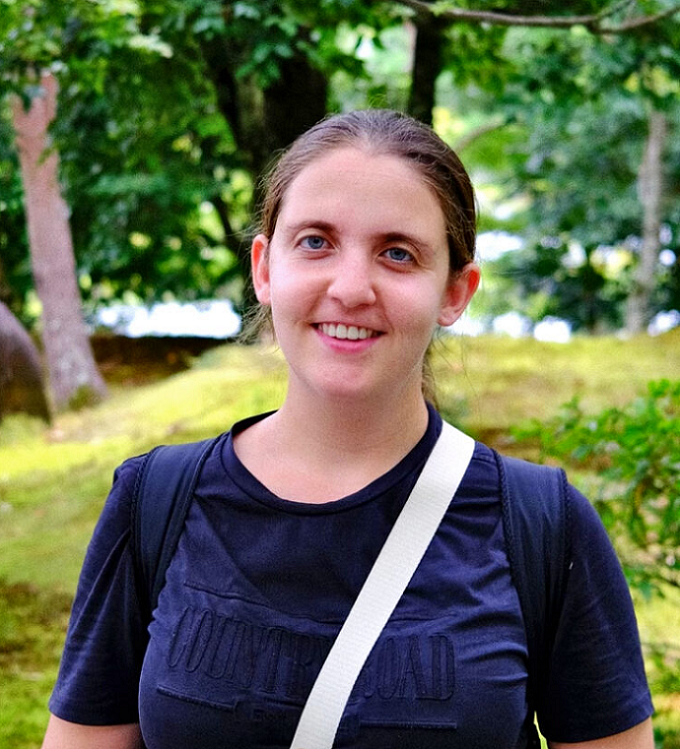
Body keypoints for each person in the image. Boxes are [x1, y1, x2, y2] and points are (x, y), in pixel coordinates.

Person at [42, 109, 654, 749]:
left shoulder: (542, 525)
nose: (352, 287)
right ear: (265, 268)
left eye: (397, 253)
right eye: (315, 242)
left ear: (456, 291)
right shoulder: (153, 503)